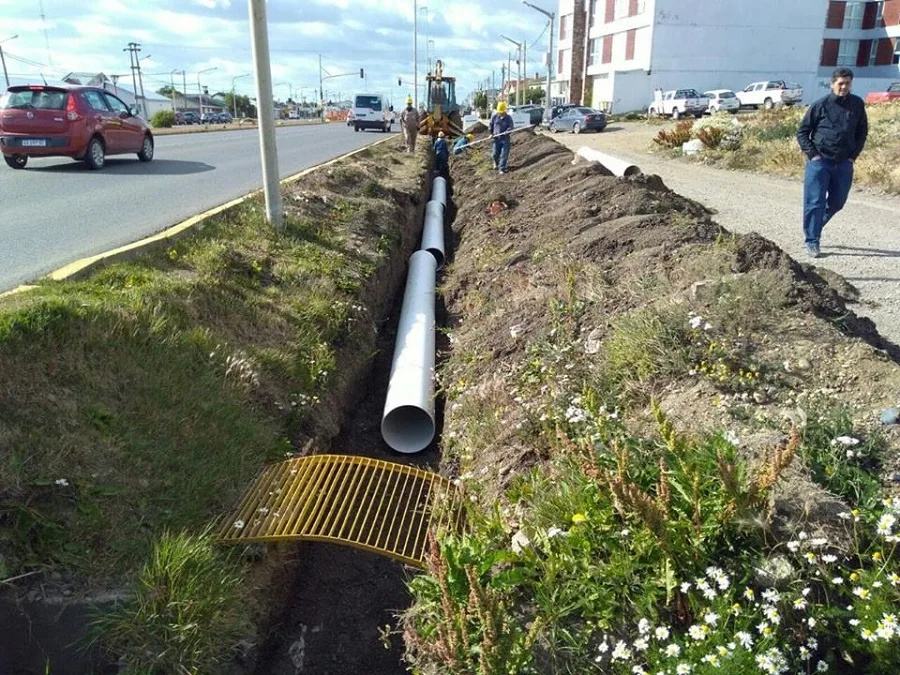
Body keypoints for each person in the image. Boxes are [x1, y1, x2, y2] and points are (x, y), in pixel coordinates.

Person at [796, 67, 868, 259]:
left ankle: (814, 226)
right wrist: (813, 155)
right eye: (840, 83)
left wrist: (853, 156)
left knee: (837, 202)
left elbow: (862, 131)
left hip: (844, 163)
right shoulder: (820, 105)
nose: (844, 87)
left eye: (847, 83)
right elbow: (802, 132)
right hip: (820, 162)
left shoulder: (857, 104)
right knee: (815, 202)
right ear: (832, 84)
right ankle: (812, 241)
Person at [489, 101, 514, 174]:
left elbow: (511, 126)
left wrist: (508, 131)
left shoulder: (508, 118)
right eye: (499, 112)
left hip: (505, 139)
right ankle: (496, 163)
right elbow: (490, 125)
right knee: (495, 154)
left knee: (504, 154)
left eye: (502, 112)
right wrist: (491, 133)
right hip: (496, 139)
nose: (500, 113)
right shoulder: (494, 117)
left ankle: (502, 168)